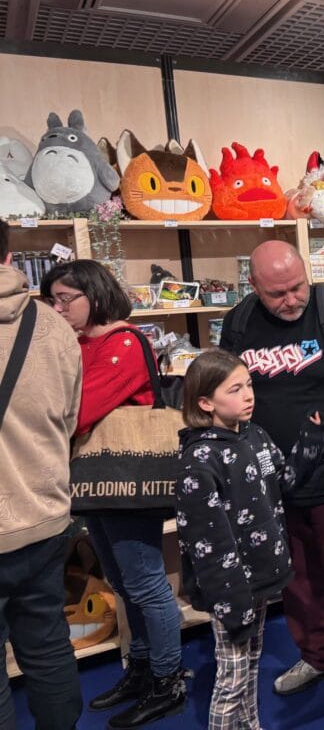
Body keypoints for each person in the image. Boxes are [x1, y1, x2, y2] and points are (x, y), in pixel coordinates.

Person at [219, 241, 324, 703]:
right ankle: (323, 656)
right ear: (254, 287)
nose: (290, 300)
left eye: (296, 287)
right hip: (269, 481)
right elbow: (226, 387)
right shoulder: (240, 321)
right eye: (277, 294)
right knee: (295, 578)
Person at [40, 259, 186, 729]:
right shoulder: (82, 343)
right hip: (98, 481)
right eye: (53, 299)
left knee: (145, 584)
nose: (58, 308)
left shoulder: (122, 342)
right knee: (125, 583)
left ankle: (168, 680)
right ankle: (143, 668)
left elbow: (78, 410)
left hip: (127, 480)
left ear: (95, 296)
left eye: (66, 299)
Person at [176, 349, 324, 730]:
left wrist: (310, 440)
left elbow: (284, 481)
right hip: (232, 590)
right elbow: (208, 546)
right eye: (235, 389)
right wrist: (232, 603)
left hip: (260, 577)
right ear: (205, 402)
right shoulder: (200, 460)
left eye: (249, 385)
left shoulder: (254, 436)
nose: (249, 395)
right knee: (231, 679)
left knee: (249, 667)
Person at [0, 220, 84, 730]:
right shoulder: (53, 326)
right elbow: (69, 418)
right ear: (9, 256)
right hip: (45, 511)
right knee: (49, 645)